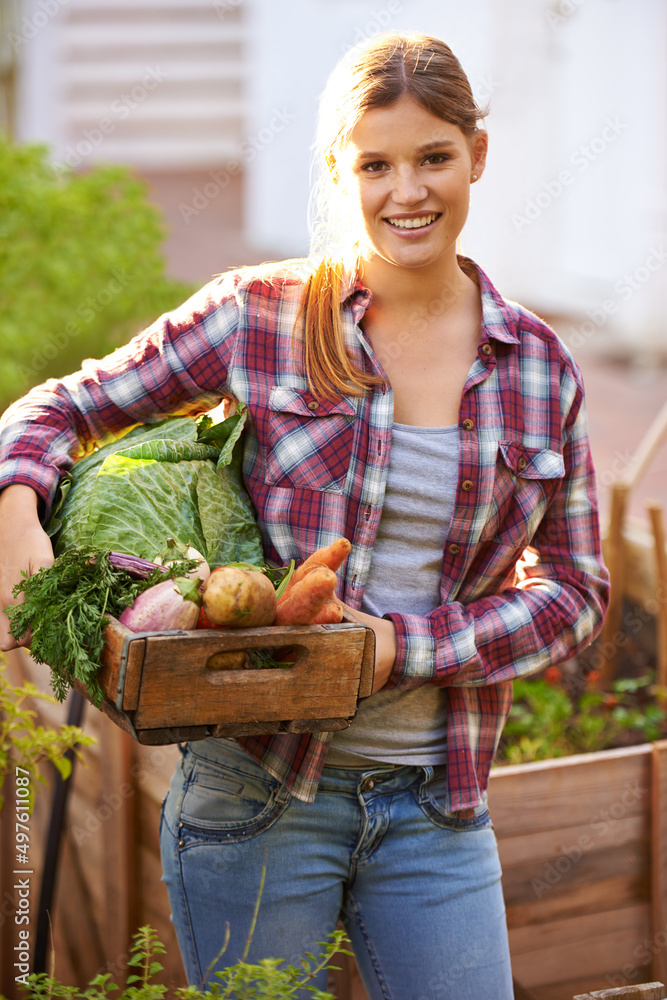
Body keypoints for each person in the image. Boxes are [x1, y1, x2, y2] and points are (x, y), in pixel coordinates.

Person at [0, 32, 608, 1000]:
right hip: (257, 794)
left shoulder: (536, 366)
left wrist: (401, 648)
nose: (406, 191)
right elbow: (55, 408)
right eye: (375, 164)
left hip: (437, 803)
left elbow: (576, 593)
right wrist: (19, 518)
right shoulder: (262, 316)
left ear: (476, 156)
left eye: (432, 158)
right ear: (339, 170)